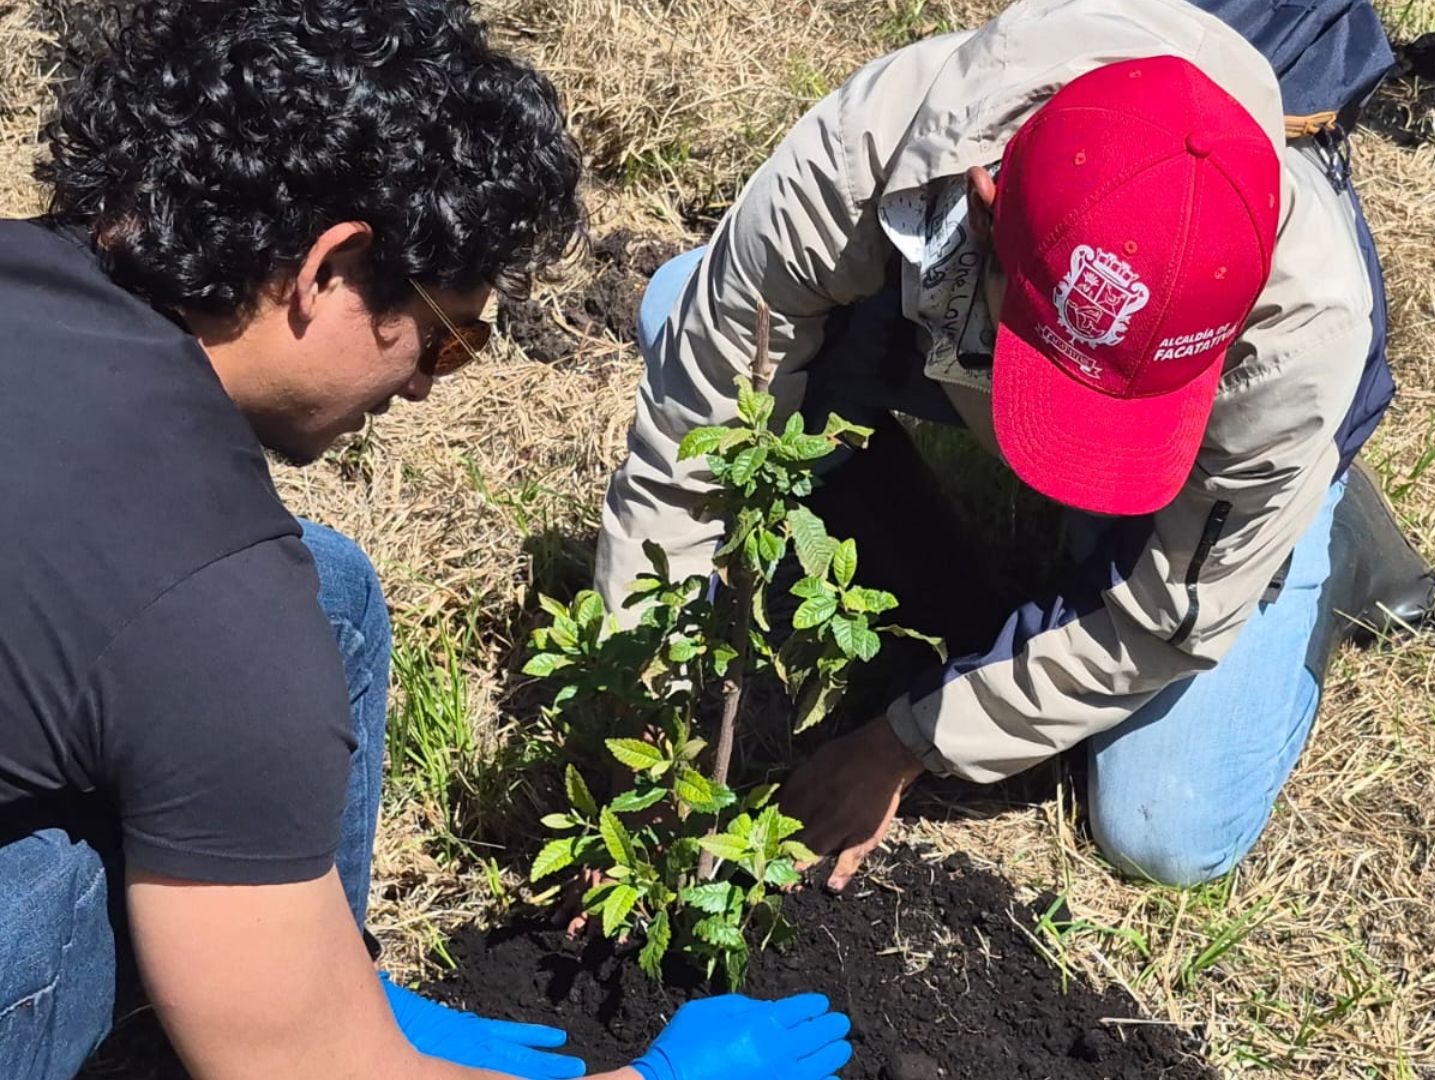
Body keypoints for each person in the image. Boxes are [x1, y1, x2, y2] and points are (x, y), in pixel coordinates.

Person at [0, 3, 851, 1080]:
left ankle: (324, 966)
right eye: (444, 344)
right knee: (76, 879)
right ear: (328, 267)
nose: (417, 390)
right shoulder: (213, 606)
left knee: (335, 588)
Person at [596, 0, 1435, 892]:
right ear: (988, 199)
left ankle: (1317, 531)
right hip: (962, 338)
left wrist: (907, 745)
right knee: (687, 304)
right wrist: (641, 719)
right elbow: (694, 446)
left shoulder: (1302, 331)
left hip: (1237, 452)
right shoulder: (885, 142)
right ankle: (956, 592)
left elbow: (1161, 626)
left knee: (1165, 828)